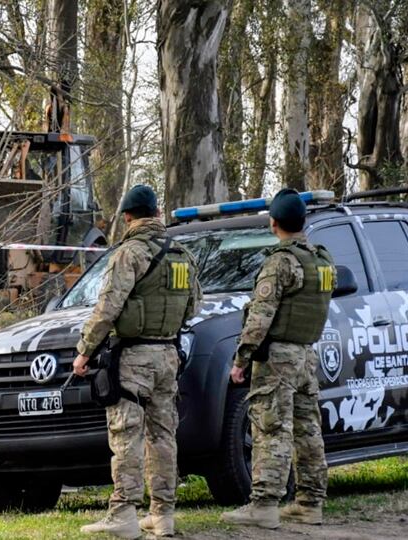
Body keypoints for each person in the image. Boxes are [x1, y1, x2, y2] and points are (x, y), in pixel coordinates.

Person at [73, 185, 201, 538]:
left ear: (127, 216)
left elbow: (108, 308)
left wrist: (85, 351)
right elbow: (193, 306)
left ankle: (124, 513)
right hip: (168, 354)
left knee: (126, 434)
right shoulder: (182, 254)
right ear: (157, 213)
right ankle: (162, 514)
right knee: (163, 435)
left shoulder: (129, 254)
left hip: (133, 357)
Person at [220, 188, 335, 529]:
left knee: (271, 428)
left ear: (273, 223)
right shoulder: (322, 260)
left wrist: (241, 360)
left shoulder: (280, 262)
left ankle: (264, 505)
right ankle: (310, 503)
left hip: (278, 358)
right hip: (306, 355)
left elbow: (260, 317)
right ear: (303, 221)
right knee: (307, 429)